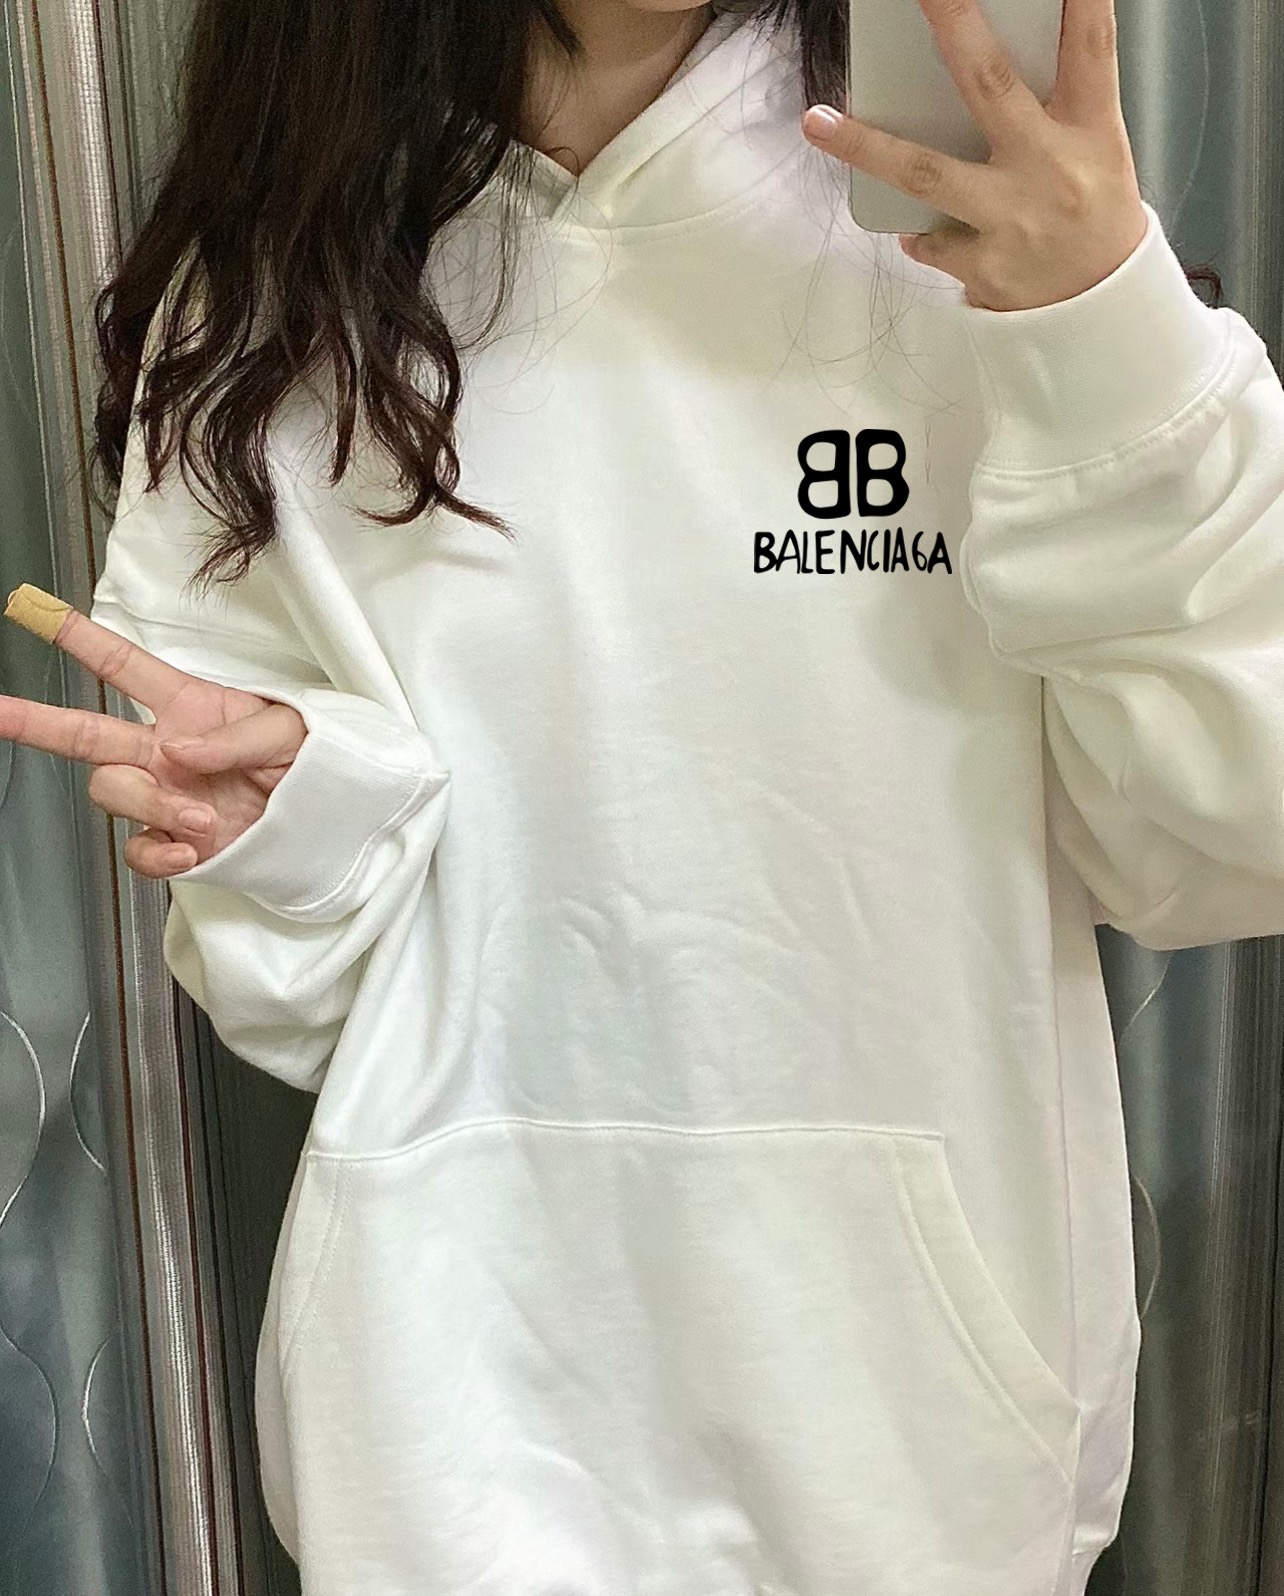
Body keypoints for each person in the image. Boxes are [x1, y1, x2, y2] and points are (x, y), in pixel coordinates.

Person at [4, 0, 1284, 1591]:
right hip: (446, 1430)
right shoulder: (272, 297)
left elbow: (1230, 831)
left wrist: (1109, 328)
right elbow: (292, 988)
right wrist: (292, 825)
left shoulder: (987, 226)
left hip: (919, 1447)